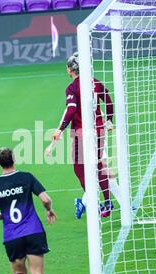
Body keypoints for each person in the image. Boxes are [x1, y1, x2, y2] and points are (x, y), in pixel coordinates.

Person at [52, 52, 121, 219]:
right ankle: (107, 202)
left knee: (79, 168)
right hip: (99, 130)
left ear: (70, 70)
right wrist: (109, 120)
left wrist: (60, 129)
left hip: (82, 133)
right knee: (99, 165)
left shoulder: (73, 88)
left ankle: (90, 201)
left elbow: (71, 109)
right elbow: (109, 101)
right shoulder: (95, 82)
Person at [0, 147, 56, 274]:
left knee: (18, 273)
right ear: (14, 159)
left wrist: (1, 216)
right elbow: (45, 199)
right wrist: (49, 210)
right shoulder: (26, 177)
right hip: (33, 232)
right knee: (37, 273)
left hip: (12, 236)